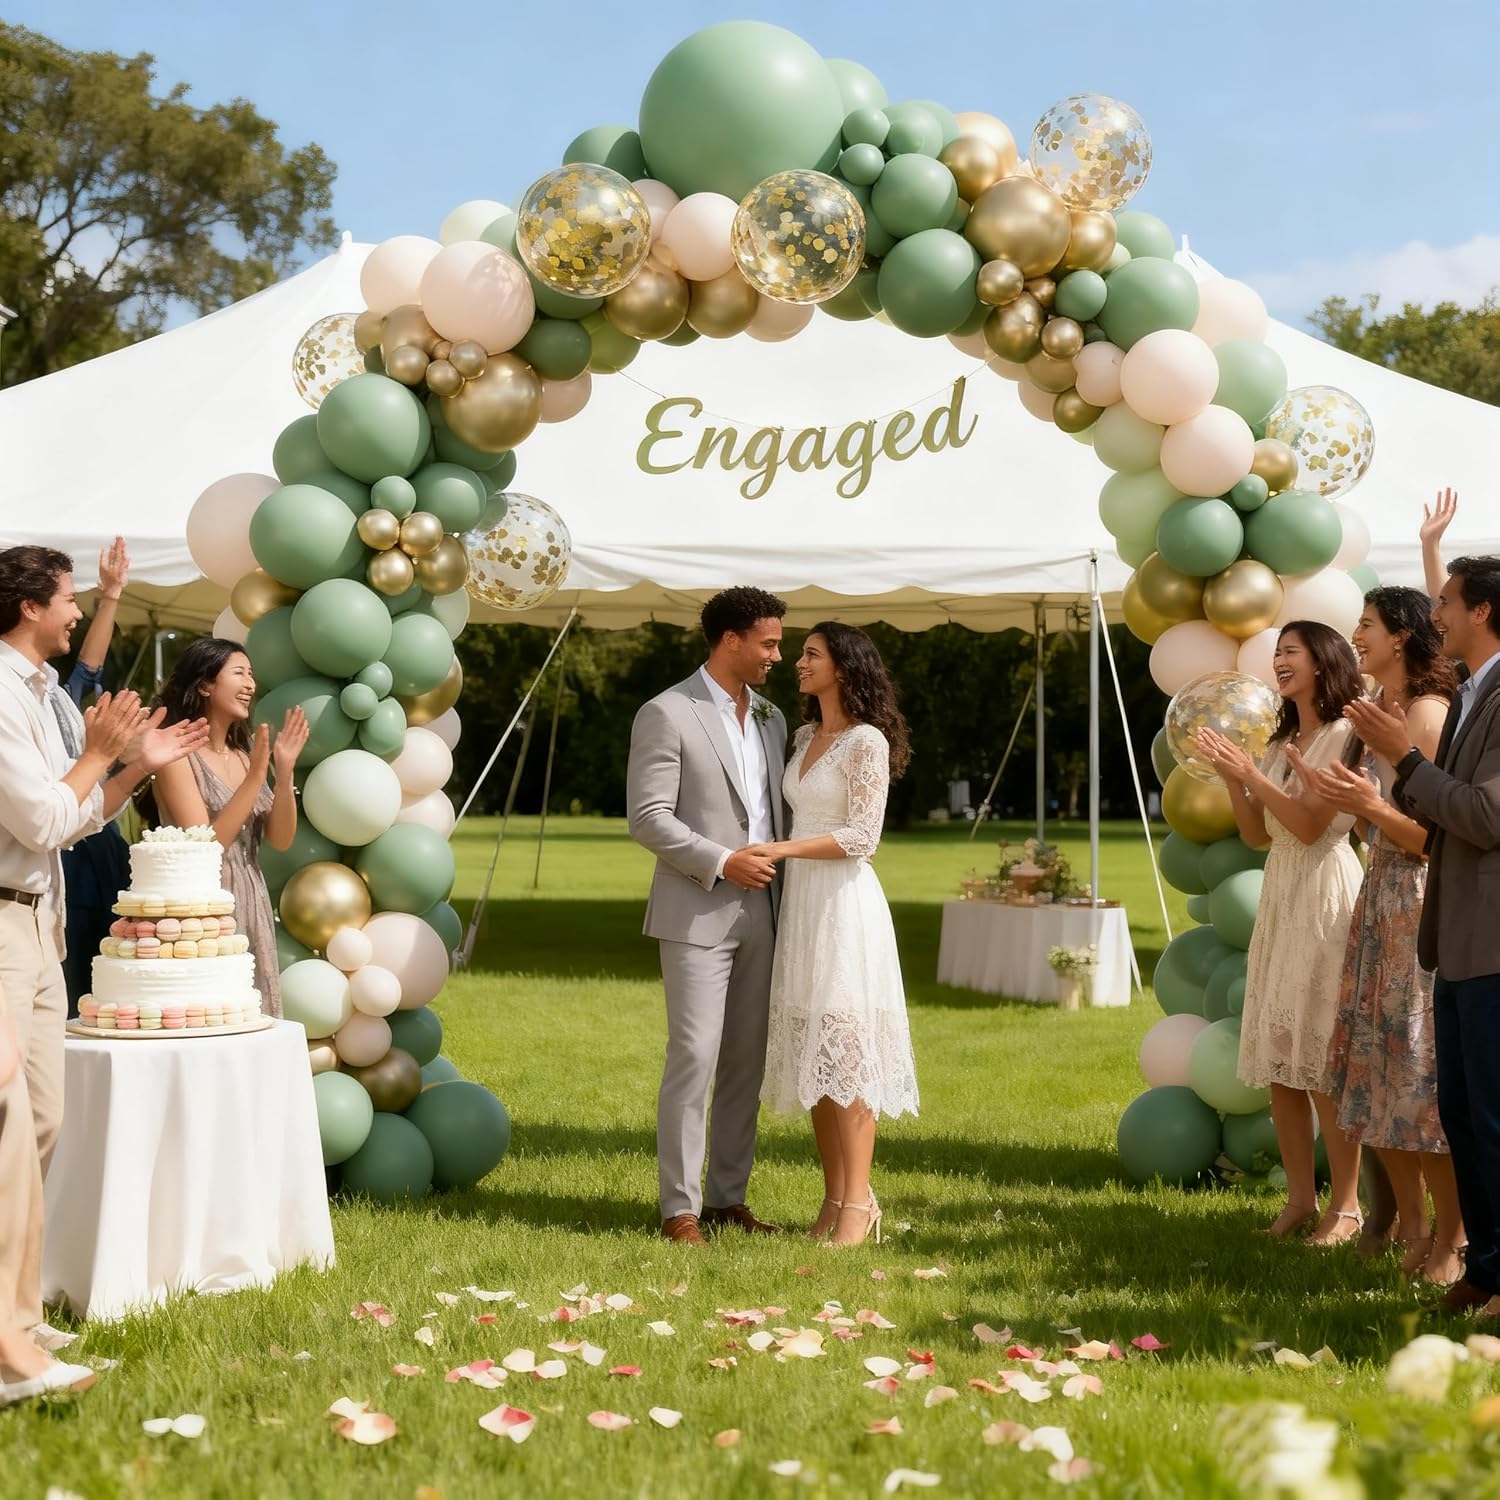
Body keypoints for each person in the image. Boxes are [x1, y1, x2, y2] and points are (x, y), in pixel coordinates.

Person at [0, 544, 205, 1389]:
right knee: (8, 1130)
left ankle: (20, 1317)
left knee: (41, 1122)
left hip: (37, 926)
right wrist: (97, 752)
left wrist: (132, 765)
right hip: (1, 925)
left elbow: (79, 818)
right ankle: (7, 1350)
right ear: (29, 606)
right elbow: (42, 819)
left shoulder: (38, 692)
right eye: (69, 597)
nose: (78, 610)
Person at [1350, 553, 1500, 1319]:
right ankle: (1484, 1269)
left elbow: (1484, 816)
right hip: (1453, 934)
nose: (1435, 615)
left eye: (1445, 602)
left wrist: (1401, 760)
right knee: (1463, 1113)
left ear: (1481, 612)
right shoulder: (1474, 689)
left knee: (1489, 1116)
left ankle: (1486, 1267)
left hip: (1488, 938)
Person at [1302, 588, 1464, 1284]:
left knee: (1421, 1078)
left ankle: (1454, 1239)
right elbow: (1370, 822)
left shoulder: (1428, 714)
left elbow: (1435, 839)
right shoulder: (1374, 711)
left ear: (1401, 636)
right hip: (1378, 898)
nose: (1356, 635)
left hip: (1419, 904)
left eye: (1366, 624)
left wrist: (1369, 804)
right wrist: (1349, 802)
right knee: (1376, 1073)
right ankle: (1413, 1227)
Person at [626, 587, 788, 1246]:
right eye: (769, 643)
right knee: (694, 1055)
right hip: (696, 909)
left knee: (746, 1061)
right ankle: (679, 1210)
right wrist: (723, 860)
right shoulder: (667, 712)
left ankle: (727, 1199)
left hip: (766, 912)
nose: (777, 655)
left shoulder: (773, 718)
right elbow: (648, 817)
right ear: (730, 640)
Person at [1198, 621, 1366, 1243]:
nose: (1278, 661)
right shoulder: (1284, 738)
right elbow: (1258, 834)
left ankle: (1346, 1207)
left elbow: (1312, 826)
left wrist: (1255, 774)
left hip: (1324, 893)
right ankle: (1299, 1200)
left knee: (1320, 1059)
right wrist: (1234, 777)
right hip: (1282, 894)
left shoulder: (1346, 734)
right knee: (1282, 1059)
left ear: (1323, 661)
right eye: (1277, 653)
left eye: (1290, 651)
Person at [753, 623, 918, 1247]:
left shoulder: (866, 741)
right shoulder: (800, 737)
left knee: (847, 1057)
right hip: (802, 909)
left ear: (844, 667)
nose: (798, 662)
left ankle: (859, 1204)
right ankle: (832, 1199)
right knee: (816, 1061)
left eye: (811, 654)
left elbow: (862, 837)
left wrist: (781, 849)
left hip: (845, 907)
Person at [142, 639, 308, 1021]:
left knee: (252, 1016)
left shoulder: (244, 758)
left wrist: (283, 774)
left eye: (252, 674)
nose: (251, 684)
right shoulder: (177, 756)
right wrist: (255, 778)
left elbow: (281, 839)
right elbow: (207, 845)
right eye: (239, 673)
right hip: (201, 912)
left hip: (251, 898)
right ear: (205, 685)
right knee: (212, 1016)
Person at [53, 537, 133, 1015]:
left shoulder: (66, 699)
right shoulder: (32, 698)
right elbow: (88, 667)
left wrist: (112, 595)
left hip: (104, 843)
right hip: (65, 854)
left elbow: (90, 667)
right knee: (73, 981)